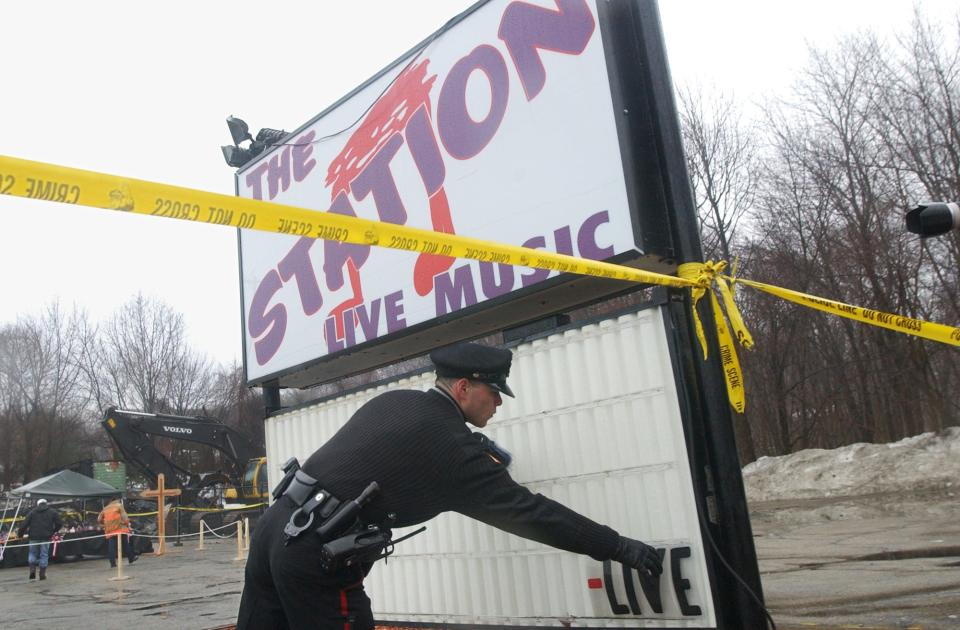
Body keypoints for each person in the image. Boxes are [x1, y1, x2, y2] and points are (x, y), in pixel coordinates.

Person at [237, 342, 662, 629]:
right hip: (316, 557)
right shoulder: (453, 451)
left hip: (276, 528)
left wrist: (476, 448)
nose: (498, 402)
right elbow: (535, 514)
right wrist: (617, 546)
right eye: (494, 392)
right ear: (463, 387)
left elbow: (392, 453)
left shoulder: (398, 402)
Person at [17, 498, 63, 580]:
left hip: (33, 537)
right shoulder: (53, 512)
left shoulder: (32, 512)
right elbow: (59, 523)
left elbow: (24, 524)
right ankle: (42, 574)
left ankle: (32, 571)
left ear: (38, 504)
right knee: (44, 555)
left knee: (32, 553)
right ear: (46, 503)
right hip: (46, 537)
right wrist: (53, 531)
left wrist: (20, 535)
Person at [98, 495, 138, 567]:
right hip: (120, 528)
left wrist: (104, 524)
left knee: (111, 547)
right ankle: (131, 558)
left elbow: (99, 519)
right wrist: (126, 523)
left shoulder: (105, 508)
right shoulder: (119, 505)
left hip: (110, 530)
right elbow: (125, 517)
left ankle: (112, 563)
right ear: (117, 499)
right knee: (125, 544)